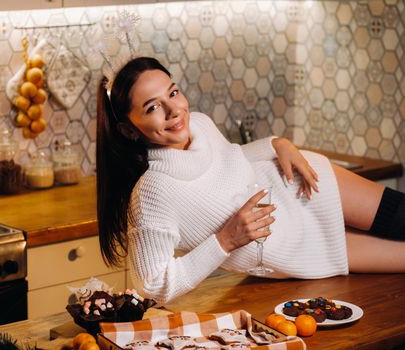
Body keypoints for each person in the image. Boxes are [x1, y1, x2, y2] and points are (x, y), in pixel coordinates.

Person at [96, 56, 405, 305]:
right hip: (301, 250)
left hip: (304, 184)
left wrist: (276, 143)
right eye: (152, 107)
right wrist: (225, 240)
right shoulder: (152, 193)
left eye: (173, 93)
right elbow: (153, 285)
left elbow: (233, 156)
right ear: (128, 129)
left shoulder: (200, 124)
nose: (174, 110)